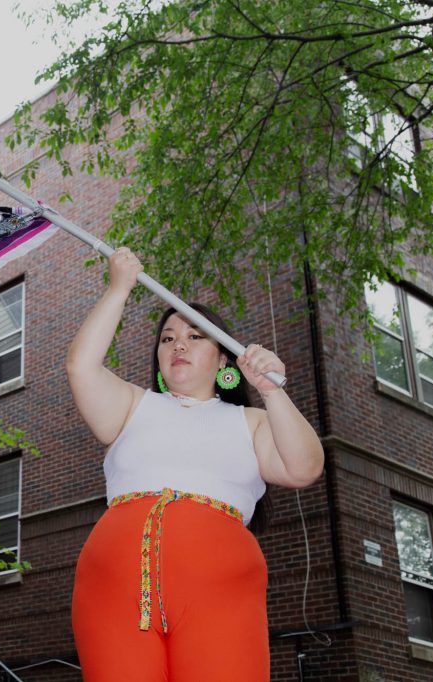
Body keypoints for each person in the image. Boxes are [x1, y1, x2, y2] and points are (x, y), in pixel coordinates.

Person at [67, 247, 324, 681]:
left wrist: (272, 391)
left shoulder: (254, 421)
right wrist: (119, 288)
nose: (178, 345)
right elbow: (81, 365)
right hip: (111, 587)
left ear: (225, 358)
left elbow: (304, 468)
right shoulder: (132, 405)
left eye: (194, 336)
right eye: (167, 338)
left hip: (220, 589)